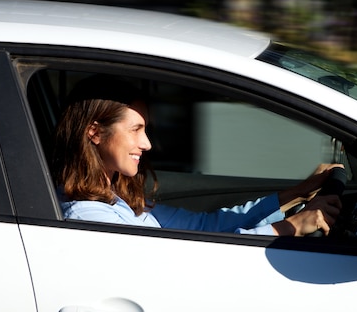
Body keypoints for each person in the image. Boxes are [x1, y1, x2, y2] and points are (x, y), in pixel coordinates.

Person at [52, 76, 342, 236]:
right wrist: (291, 227)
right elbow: (180, 263)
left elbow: (206, 227)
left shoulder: (117, 198)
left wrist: (298, 193)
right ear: (95, 133)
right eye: (136, 129)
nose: (147, 143)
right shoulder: (89, 217)